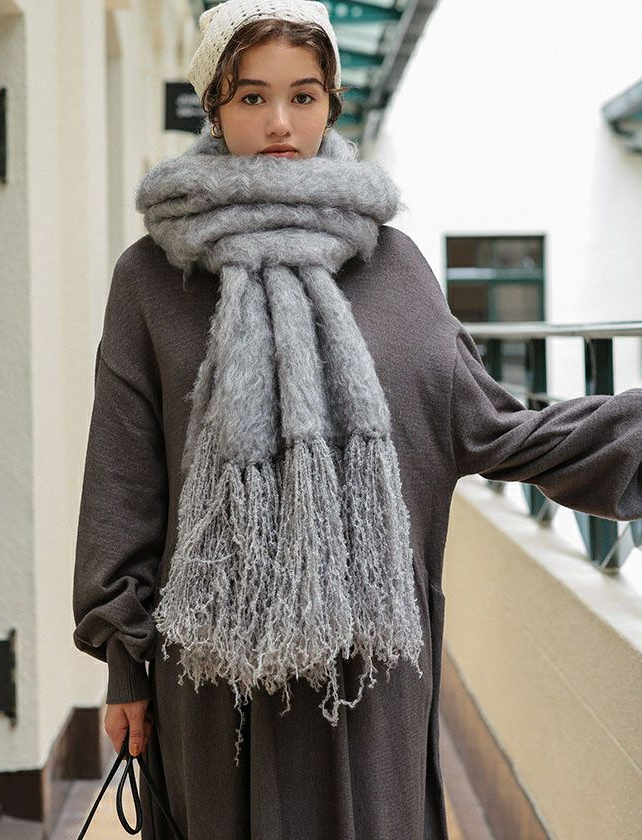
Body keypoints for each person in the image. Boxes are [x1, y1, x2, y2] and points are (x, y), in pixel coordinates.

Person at [71, 1, 642, 838]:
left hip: (367, 669)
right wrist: (124, 667)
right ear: (214, 107)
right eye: (252, 96)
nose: (279, 122)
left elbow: (487, 424)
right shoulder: (152, 278)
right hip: (212, 677)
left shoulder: (394, 266)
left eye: (303, 96)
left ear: (330, 104)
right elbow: (124, 477)